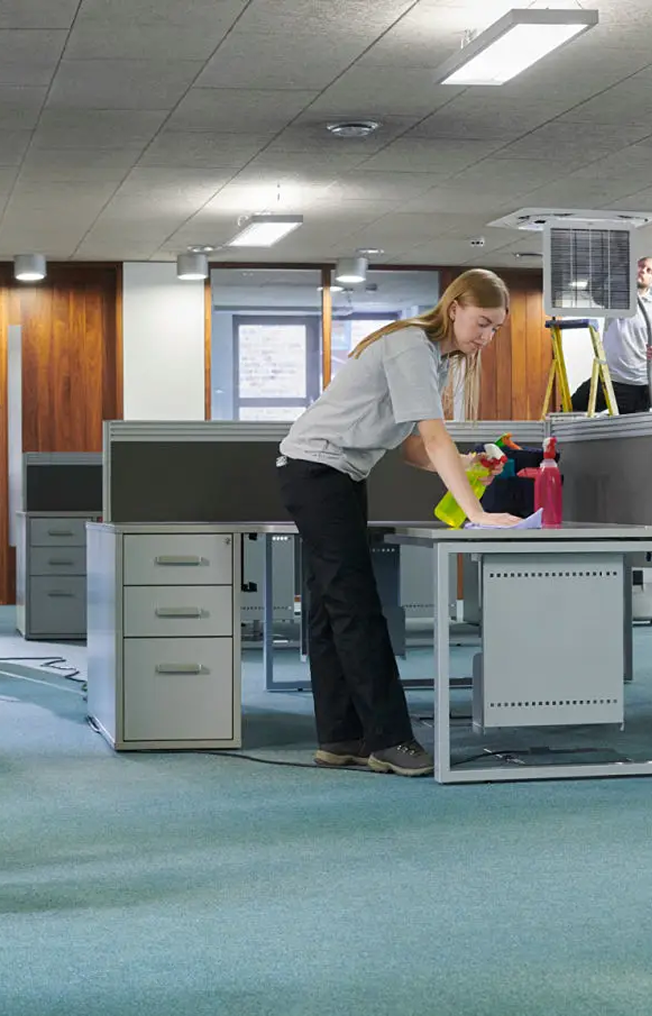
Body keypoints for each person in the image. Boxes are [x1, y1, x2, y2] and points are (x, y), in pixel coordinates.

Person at [276, 269, 522, 778]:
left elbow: (413, 448)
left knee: (330, 608)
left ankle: (340, 737)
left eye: (496, 329)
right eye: (482, 323)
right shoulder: (412, 345)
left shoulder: (433, 359)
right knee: (357, 607)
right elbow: (433, 438)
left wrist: (468, 465)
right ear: (454, 308)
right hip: (318, 471)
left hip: (333, 473)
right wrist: (475, 514)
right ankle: (390, 739)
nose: (487, 337)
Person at [571, 256, 652, 414]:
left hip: (637, 384)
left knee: (631, 428)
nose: (643, 271)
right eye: (640, 266)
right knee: (569, 411)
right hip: (607, 377)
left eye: (649, 270)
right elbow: (592, 290)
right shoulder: (614, 296)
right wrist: (612, 266)